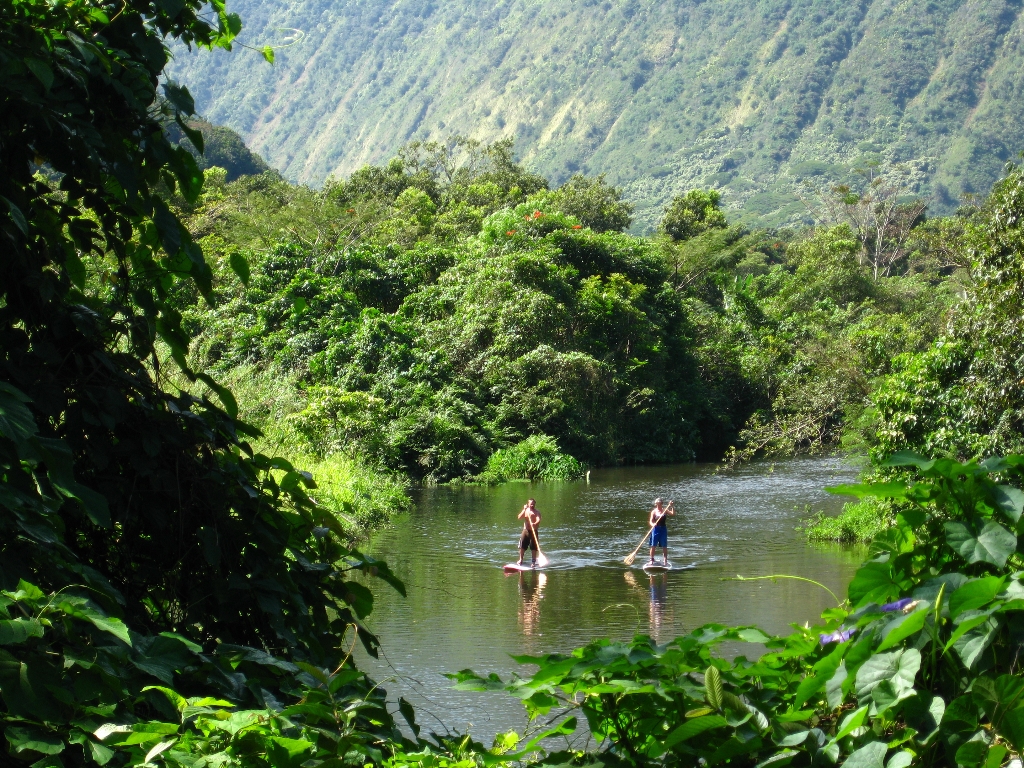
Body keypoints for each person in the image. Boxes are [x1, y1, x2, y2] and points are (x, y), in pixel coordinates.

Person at [648, 498, 675, 566]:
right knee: (653, 545)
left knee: (664, 545)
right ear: (656, 504)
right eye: (657, 504)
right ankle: (651, 559)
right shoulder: (654, 512)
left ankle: (665, 560)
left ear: (661, 504)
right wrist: (652, 524)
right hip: (656, 529)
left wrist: (672, 506)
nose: (658, 505)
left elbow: (672, 514)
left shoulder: (665, 510)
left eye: (659, 504)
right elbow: (651, 521)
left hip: (663, 529)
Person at [517, 498, 541, 566]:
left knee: (534, 547)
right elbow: (519, 517)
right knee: (522, 546)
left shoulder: (537, 512)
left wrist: (535, 523)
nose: (532, 505)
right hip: (526, 531)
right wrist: (524, 509)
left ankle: (533, 562)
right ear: (528, 504)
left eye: (533, 504)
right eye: (531, 504)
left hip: (534, 531)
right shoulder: (526, 511)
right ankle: (521, 559)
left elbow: (538, 519)